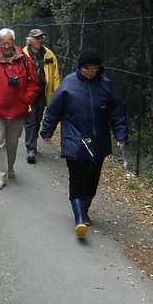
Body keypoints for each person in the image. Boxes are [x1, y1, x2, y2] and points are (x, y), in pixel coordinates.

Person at [40, 48, 128, 237]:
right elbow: (54, 110)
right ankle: (79, 218)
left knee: (92, 180)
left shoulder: (106, 86)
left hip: (99, 140)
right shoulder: (68, 85)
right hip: (75, 139)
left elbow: (117, 112)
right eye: (86, 68)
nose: (90, 72)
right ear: (80, 67)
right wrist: (47, 130)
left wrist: (121, 135)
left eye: (94, 68)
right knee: (77, 178)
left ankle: (85, 208)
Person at [0, 28, 38, 190]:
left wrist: (26, 99)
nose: (6, 46)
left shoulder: (25, 60)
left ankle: (9, 167)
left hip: (18, 110)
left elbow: (33, 83)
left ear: (14, 42)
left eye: (9, 43)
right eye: (3, 44)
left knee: (12, 143)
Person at [22, 28, 61, 164]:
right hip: (28, 93)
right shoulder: (23, 55)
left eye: (41, 38)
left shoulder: (49, 54)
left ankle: (32, 142)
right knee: (30, 120)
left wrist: (57, 94)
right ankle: (31, 149)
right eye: (37, 38)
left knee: (38, 118)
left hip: (43, 92)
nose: (40, 40)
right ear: (30, 40)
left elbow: (55, 76)